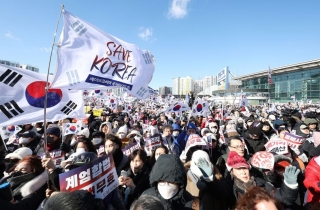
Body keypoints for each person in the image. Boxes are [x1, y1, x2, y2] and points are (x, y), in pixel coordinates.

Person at [226, 151, 299, 208]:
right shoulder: (230, 188)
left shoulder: (261, 183)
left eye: (245, 168)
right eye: (238, 169)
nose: (243, 172)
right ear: (232, 172)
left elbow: (285, 200)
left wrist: (289, 185)